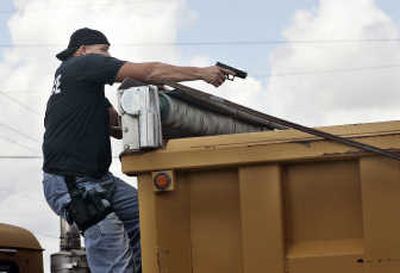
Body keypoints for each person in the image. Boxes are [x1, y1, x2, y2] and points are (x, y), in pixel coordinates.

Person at [42, 27, 229, 273]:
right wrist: (202, 73)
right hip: (73, 181)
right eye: (103, 51)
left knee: (148, 217)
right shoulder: (79, 66)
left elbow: (120, 128)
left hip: (99, 179)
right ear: (82, 51)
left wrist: (147, 98)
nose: (108, 57)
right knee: (112, 247)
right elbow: (149, 70)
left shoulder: (80, 87)